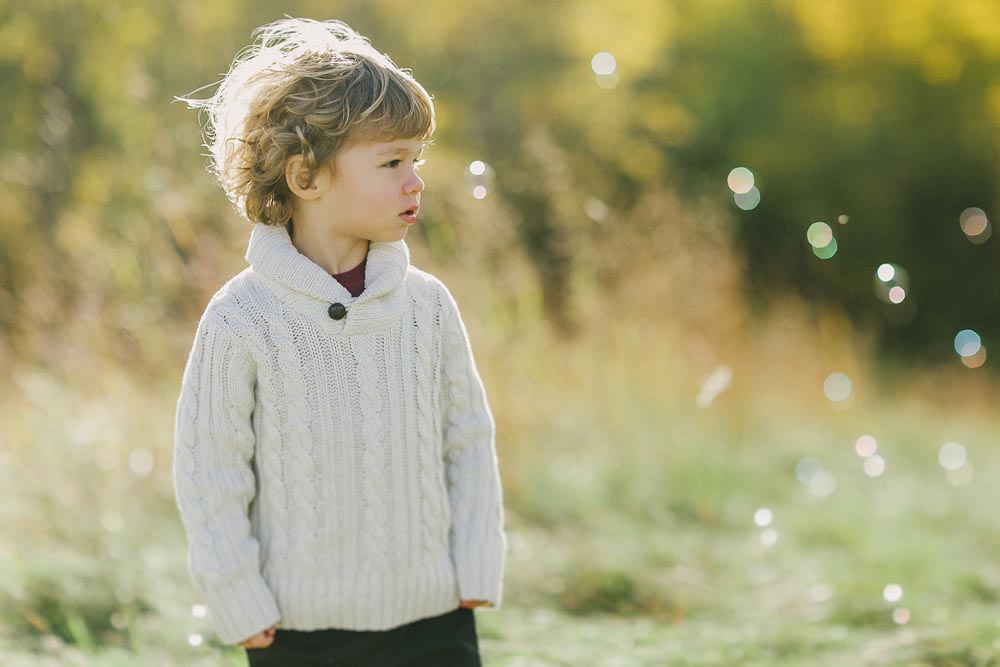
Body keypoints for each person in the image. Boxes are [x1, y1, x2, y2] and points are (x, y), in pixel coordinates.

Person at [172, 17, 506, 667]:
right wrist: (237, 598)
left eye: (417, 160)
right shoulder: (242, 318)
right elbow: (209, 472)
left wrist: (476, 564)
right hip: (300, 631)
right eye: (391, 162)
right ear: (305, 177)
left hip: (433, 617)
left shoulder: (427, 306)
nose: (416, 181)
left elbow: (467, 439)